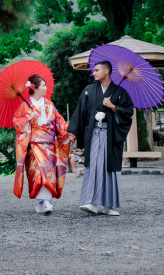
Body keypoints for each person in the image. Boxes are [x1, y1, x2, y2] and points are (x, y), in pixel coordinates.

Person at [68, 60, 134, 216]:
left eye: (97, 70)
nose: (94, 73)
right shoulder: (89, 90)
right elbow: (80, 111)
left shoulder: (120, 92)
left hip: (111, 135)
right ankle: (90, 202)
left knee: (109, 168)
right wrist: (73, 131)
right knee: (94, 166)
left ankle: (108, 206)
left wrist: (113, 107)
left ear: (106, 71)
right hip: (94, 133)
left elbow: (128, 112)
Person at [12, 74, 71, 214]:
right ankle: (44, 202)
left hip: (49, 145)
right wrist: (27, 119)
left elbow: (59, 121)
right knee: (37, 173)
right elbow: (16, 122)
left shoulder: (50, 104)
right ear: (35, 88)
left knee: (48, 172)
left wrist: (69, 132)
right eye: (43, 85)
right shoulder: (24, 106)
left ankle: (44, 202)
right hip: (33, 145)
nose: (46, 88)